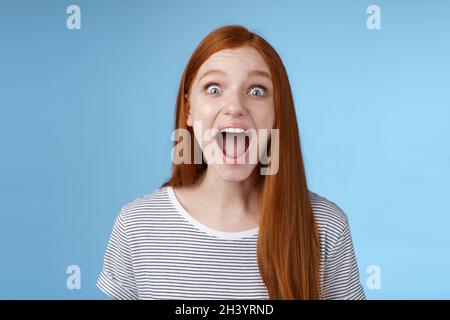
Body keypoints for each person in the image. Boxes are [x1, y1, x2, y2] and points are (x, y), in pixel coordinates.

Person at [97, 25, 365, 300]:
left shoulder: (325, 226)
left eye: (257, 91)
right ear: (189, 109)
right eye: (214, 88)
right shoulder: (137, 224)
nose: (235, 105)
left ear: (277, 112)